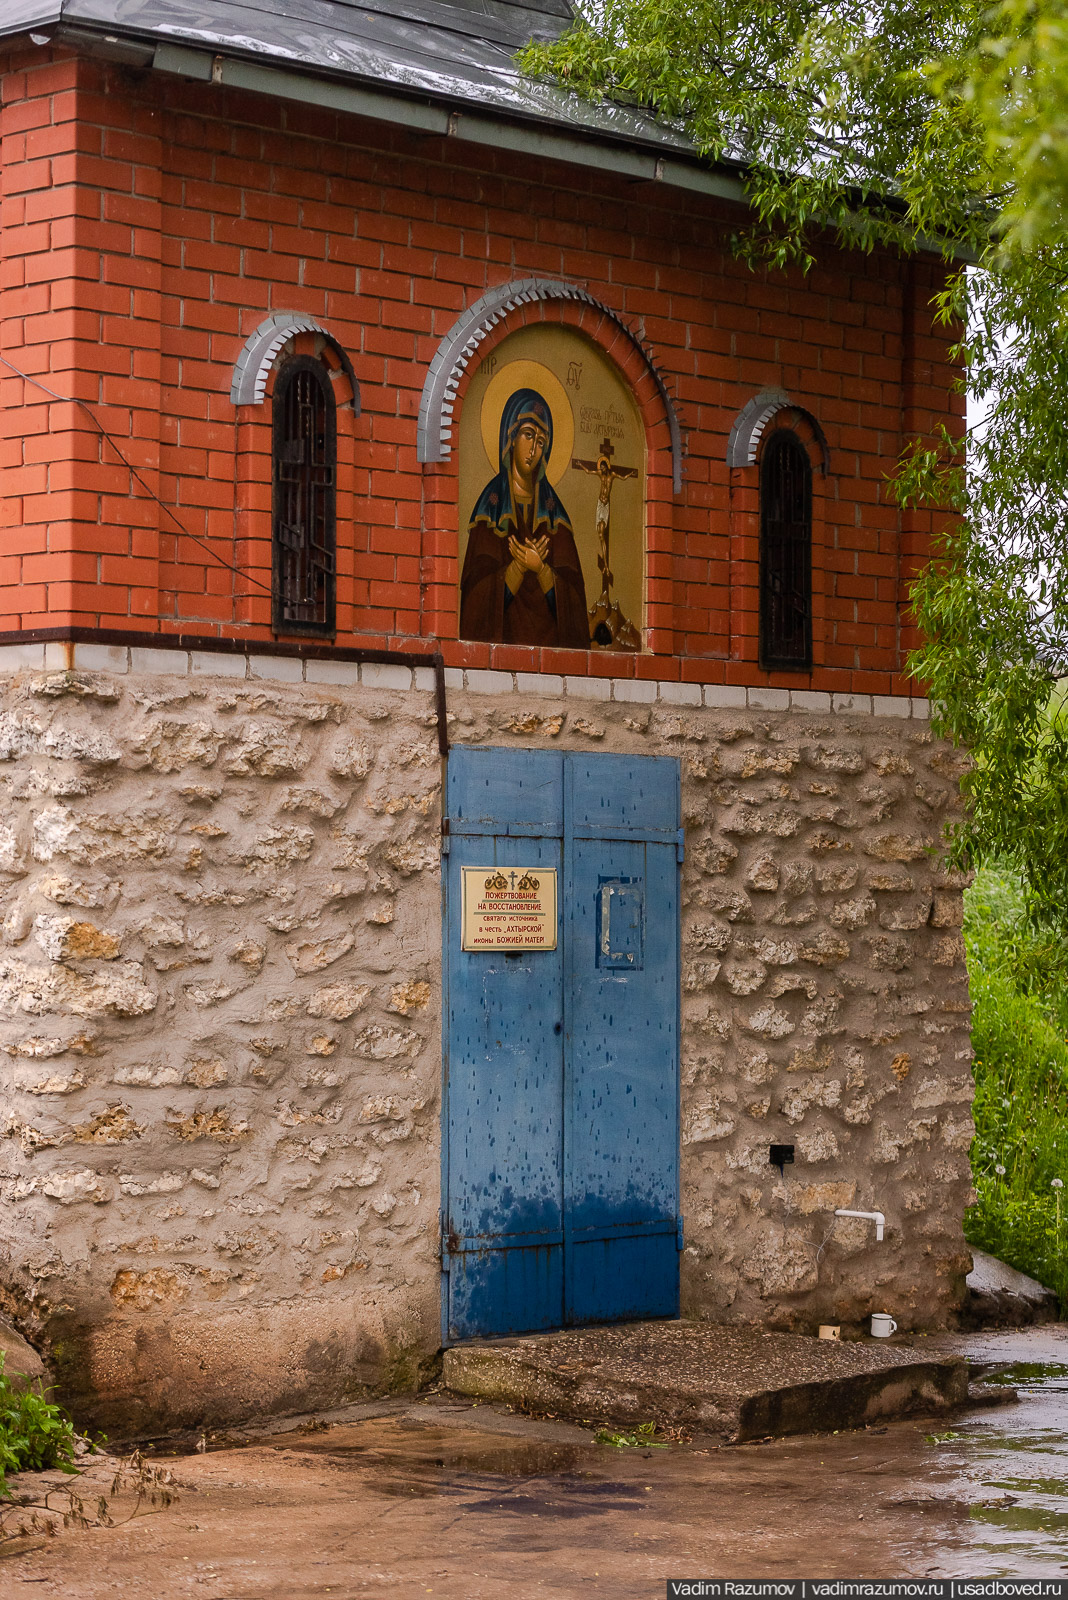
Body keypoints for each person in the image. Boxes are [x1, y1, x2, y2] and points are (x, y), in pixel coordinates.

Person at [459, 388, 588, 647]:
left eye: (541, 442)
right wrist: (518, 568)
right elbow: (473, 605)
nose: (533, 449)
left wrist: (541, 569)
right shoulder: (490, 509)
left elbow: (576, 610)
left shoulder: (554, 514)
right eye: (528, 435)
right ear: (511, 437)